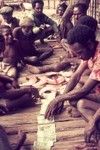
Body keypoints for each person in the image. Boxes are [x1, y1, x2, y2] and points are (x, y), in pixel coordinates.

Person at [44, 25, 100, 123]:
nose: (78, 57)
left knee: (80, 103)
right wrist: (62, 96)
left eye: (79, 53)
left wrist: (58, 99)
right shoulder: (90, 51)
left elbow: (84, 90)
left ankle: (94, 126)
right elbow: (76, 76)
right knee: (73, 99)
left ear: (90, 44)